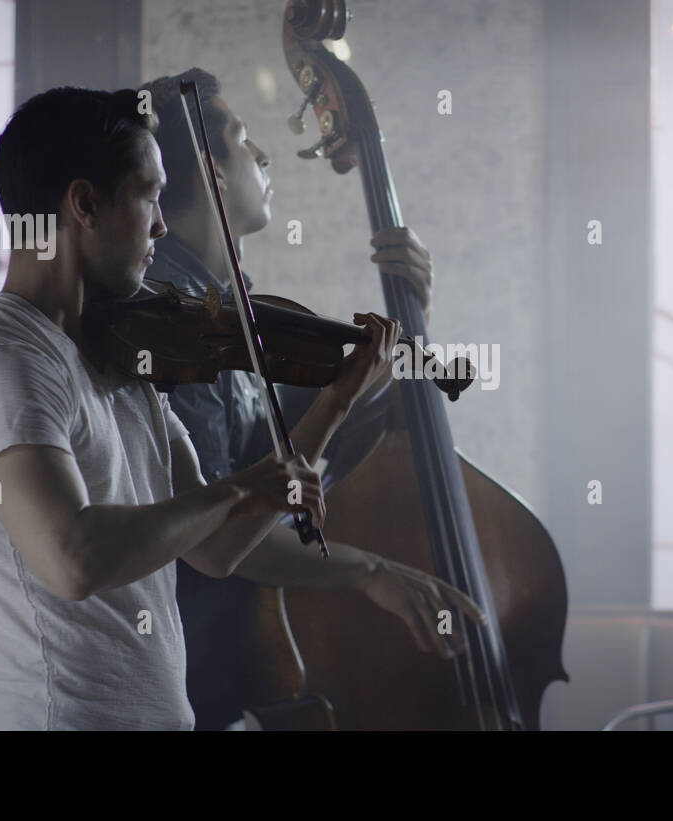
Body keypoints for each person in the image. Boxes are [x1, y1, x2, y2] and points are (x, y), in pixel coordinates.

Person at [0, 86, 398, 729]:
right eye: (149, 195)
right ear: (85, 204)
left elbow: (219, 550)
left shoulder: (121, 361)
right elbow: (72, 559)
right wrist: (242, 489)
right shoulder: (5, 363)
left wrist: (337, 402)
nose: (162, 225)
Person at [138, 68, 482, 730]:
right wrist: (369, 570)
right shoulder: (184, 322)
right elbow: (213, 531)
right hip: (192, 681)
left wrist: (415, 312)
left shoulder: (229, 318)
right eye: (243, 140)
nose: (263, 156)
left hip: (219, 681)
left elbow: (354, 430)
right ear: (210, 169)